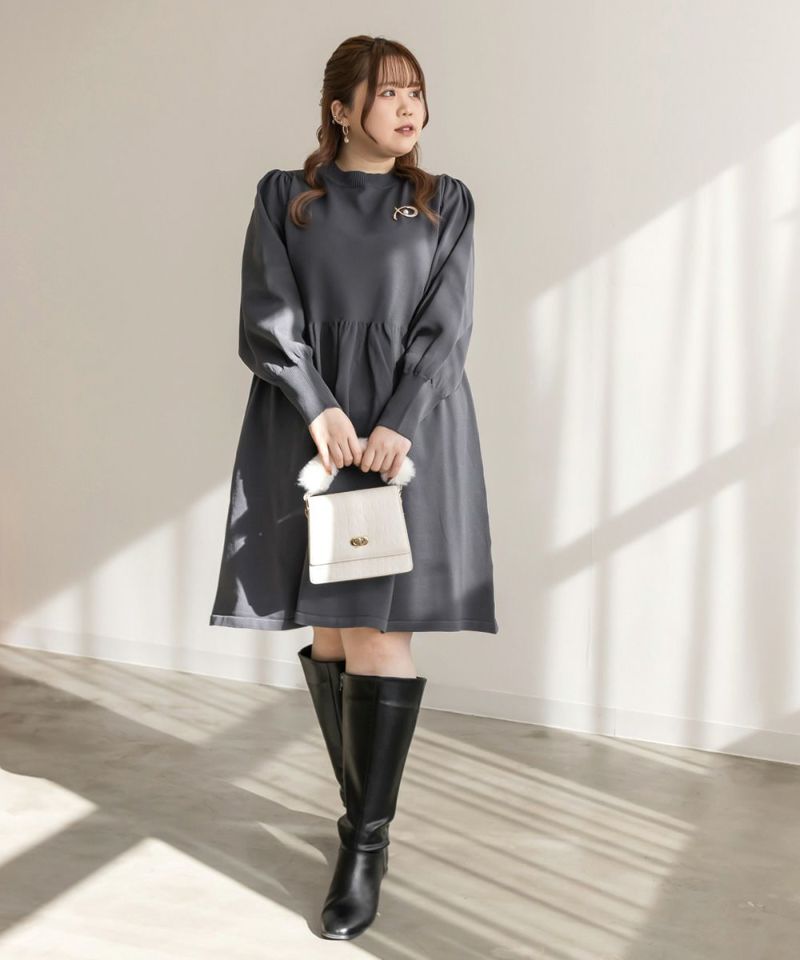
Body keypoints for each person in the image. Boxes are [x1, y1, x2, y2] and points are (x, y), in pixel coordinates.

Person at [209, 34, 499, 940]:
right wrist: (317, 407)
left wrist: (397, 419)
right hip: (310, 431)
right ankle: (357, 816)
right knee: (333, 632)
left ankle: (363, 847)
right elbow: (267, 314)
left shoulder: (445, 201)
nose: (409, 109)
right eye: (389, 93)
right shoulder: (284, 197)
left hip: (407, 434)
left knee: (377, 634)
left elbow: (447, 326)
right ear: (341, 109)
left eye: (417, 93)